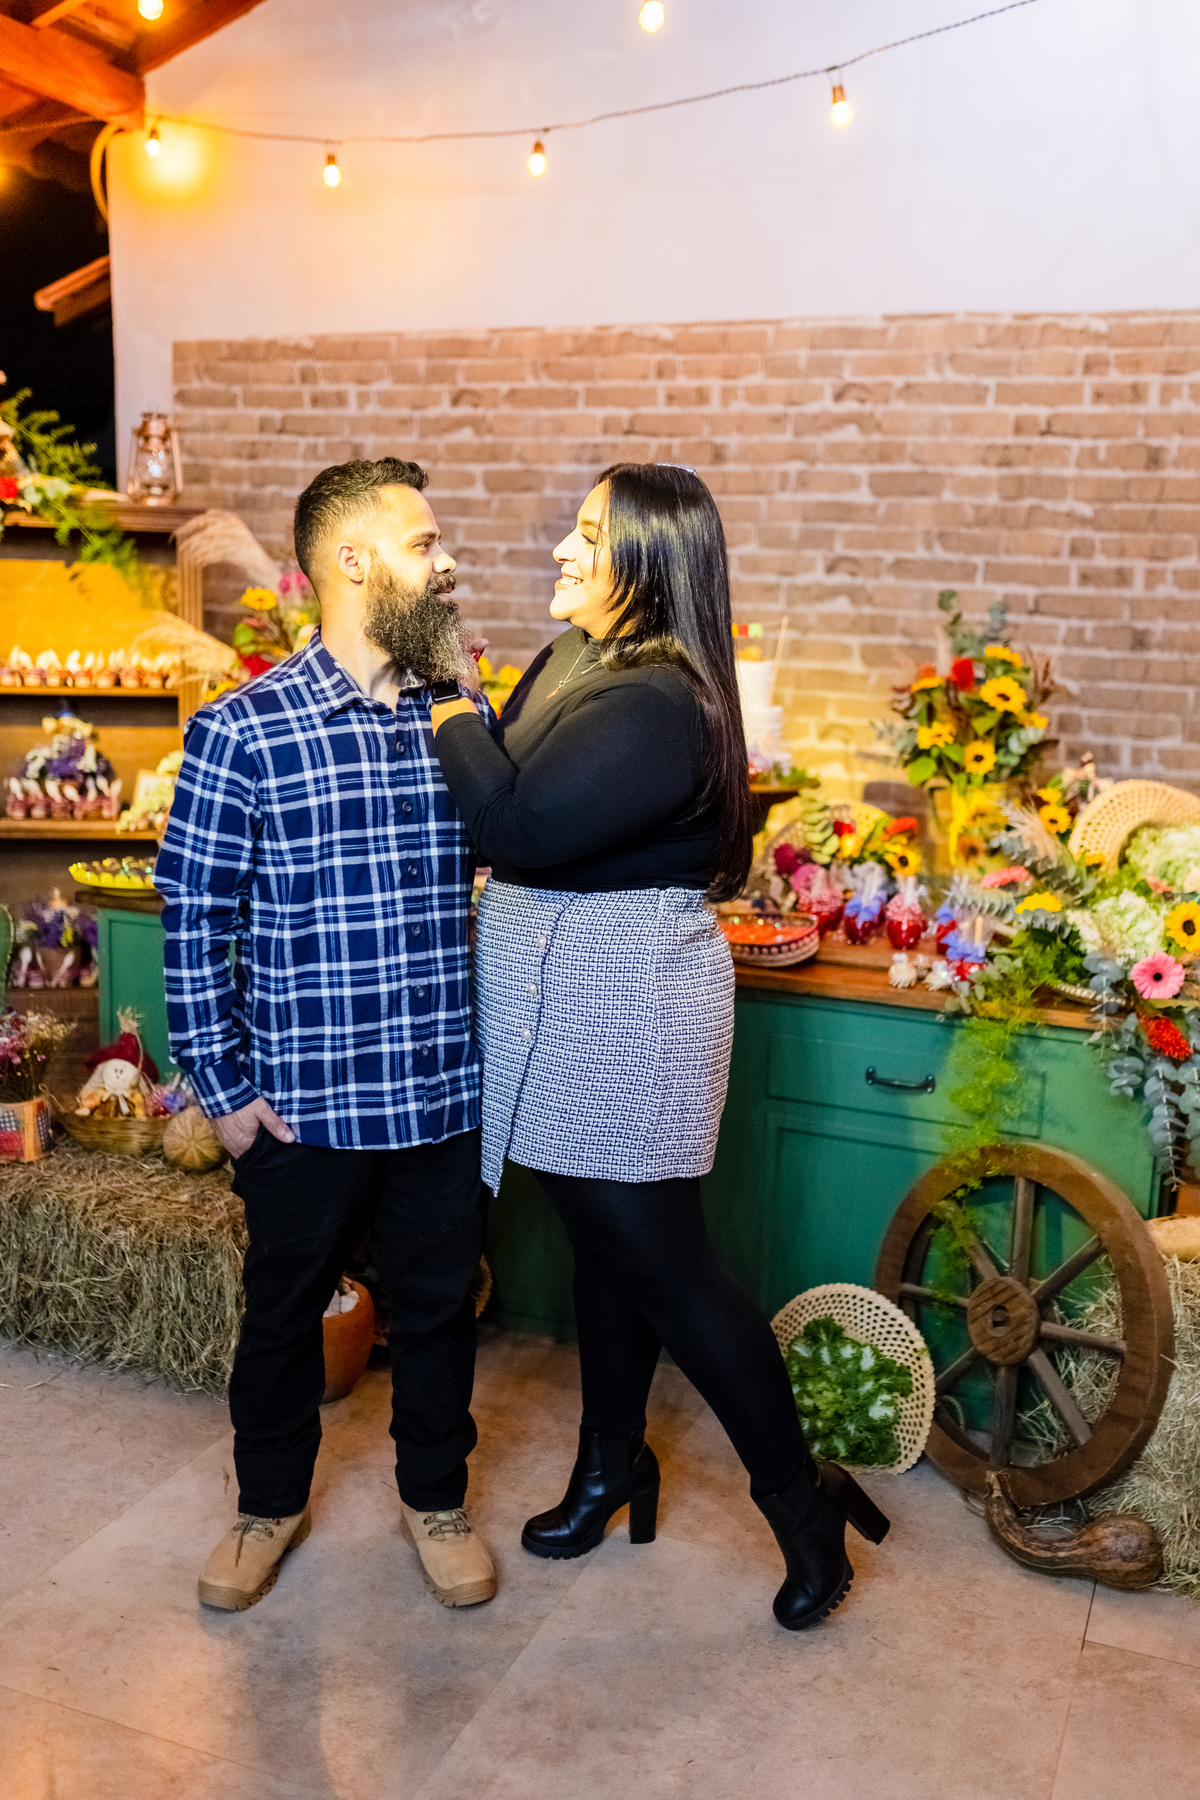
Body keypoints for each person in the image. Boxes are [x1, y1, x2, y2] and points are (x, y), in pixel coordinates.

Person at [428, 462, 889, 1631]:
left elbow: (511, 820)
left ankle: (804, 1505)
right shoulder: (571, 660)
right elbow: (511, 799)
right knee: (606, 1243)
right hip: (548, 984)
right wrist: (476, 720)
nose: (562, 549)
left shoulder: (662, 701)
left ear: (648, 559)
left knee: (667, 1263)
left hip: (625, 995)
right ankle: (613, 1464)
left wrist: (445, 701)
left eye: (589, 535)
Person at [157, 457, 498, 1614]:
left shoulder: (460, 721)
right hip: (302, 1103)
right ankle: (267, 1506)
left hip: (440, 1089)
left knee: (441, 1308)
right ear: (352, 561)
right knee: (281, 1315)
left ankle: (435, 1500)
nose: (446, 563)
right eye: (424, 543)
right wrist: (221, 1089)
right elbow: (195, 917)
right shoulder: (243, 730)